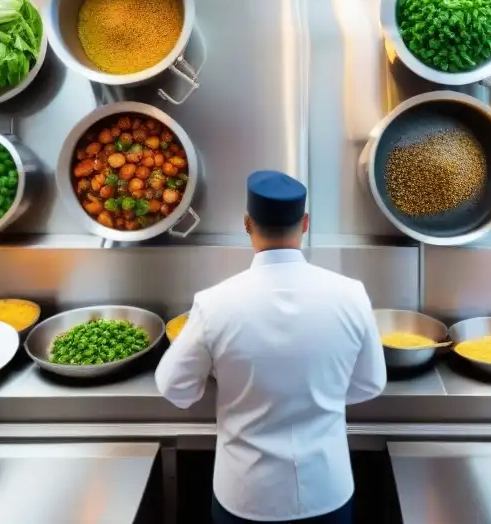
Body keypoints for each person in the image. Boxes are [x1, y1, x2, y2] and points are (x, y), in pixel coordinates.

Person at [155, 170, 387, 524]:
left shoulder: (214, 303)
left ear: (247, 224)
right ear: (305, 223)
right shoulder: (351, 294)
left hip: (246, 496)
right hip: (327, 491)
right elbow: (372, 383)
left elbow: (175, 389)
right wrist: (318, 390)